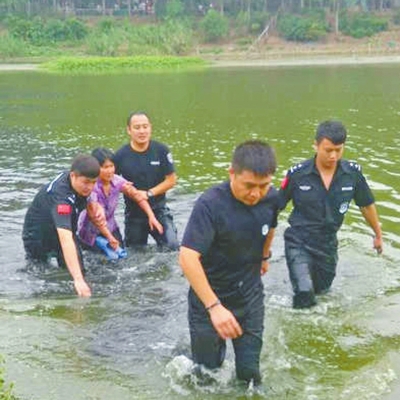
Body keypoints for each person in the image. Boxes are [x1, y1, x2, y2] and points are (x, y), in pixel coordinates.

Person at [179, 140, 279, 387]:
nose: (256, 194)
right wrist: (214, 307)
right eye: (249, 186)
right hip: (209, 299)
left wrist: (264, 256)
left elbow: (271, 226)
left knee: (250, 376)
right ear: (231, 173)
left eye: (263, 186)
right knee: (206, 375)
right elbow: (187, 257)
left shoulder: (272, 198)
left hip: (250, 297)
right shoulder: (211, 204)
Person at [279, 120, 383, 309]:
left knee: (322, 295)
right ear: (316, 145)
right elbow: (274, 207)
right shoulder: (297, 174)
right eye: (328, 150)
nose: (333, 155)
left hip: (327, 246)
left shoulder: (352, 174)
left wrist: (378, 234)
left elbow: (366, 205)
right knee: (304, 292)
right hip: (299, 242)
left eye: (338, 149)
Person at [22, 154, 106, 297]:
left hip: (65, 228)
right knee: (42, 277)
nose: (90, 187)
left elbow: (87, 193)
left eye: (94, 182)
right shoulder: (61, 198)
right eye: (86, 182)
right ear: (73, 176)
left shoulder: (77, 178)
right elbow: (65, 238)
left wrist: (94, 203)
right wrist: (78, 280)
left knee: (81, 271)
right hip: (38, 236)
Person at [78, 147, 163, 259]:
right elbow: (95, 217)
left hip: (111, 226)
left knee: (121, 258)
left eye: (111, 166)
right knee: (99, 262)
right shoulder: (92, 187)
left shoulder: (117, 181)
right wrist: (110, 238)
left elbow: (136, 195)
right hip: (91, 232)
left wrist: (151, 216)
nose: (110, 171)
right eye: (105, 167)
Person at [113, 111, 179, 250]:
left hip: (159, 210)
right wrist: (127, 189)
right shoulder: (120, 156)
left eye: (145, 126)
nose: (142, 131)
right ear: (129, 130)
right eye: (137, 127)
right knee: (134, 254)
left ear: (150, 128)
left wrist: (149, 193)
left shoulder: (161, 150)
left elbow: (171, 180)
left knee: (172, 247)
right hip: (134, 213)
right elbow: (111, 180)